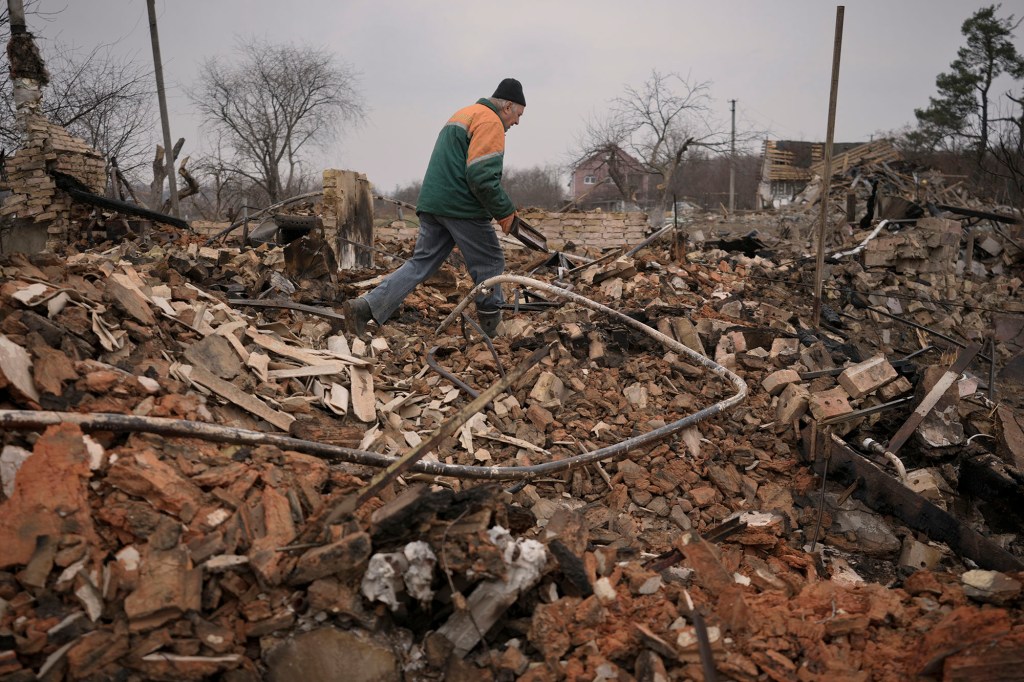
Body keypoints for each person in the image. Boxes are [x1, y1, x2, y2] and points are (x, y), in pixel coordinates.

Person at [343, 78, 526, 338]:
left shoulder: (464, 113)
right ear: (508, 106)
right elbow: (481, 178)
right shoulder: (490, 121)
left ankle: (365, 307)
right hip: (460, 206)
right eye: (518, 114)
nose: (517, 122)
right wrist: (506, 213)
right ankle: (493, 330)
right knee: (490, 262)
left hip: (433, 203)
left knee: (421, 263)